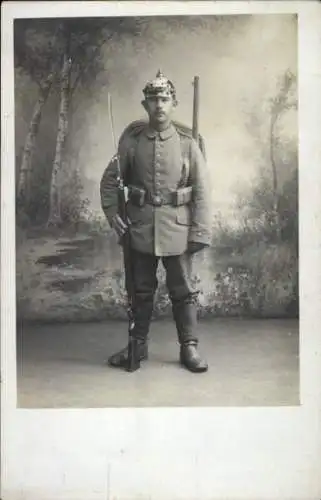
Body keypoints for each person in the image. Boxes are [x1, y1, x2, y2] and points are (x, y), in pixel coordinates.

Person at [100, 70, 212, 373]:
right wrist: (114, 216)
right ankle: (138, 344)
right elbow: (111, 182)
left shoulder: (189, 143)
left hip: (178, 229)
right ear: (145, 104)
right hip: (140, 228)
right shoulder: (132, 142)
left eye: (164, 99)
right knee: (140, 289)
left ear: (173, 102)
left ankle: (189, 347)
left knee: (184, 290)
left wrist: (200, 231)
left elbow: (202, 189)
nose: (159, 105)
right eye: (153, 100)